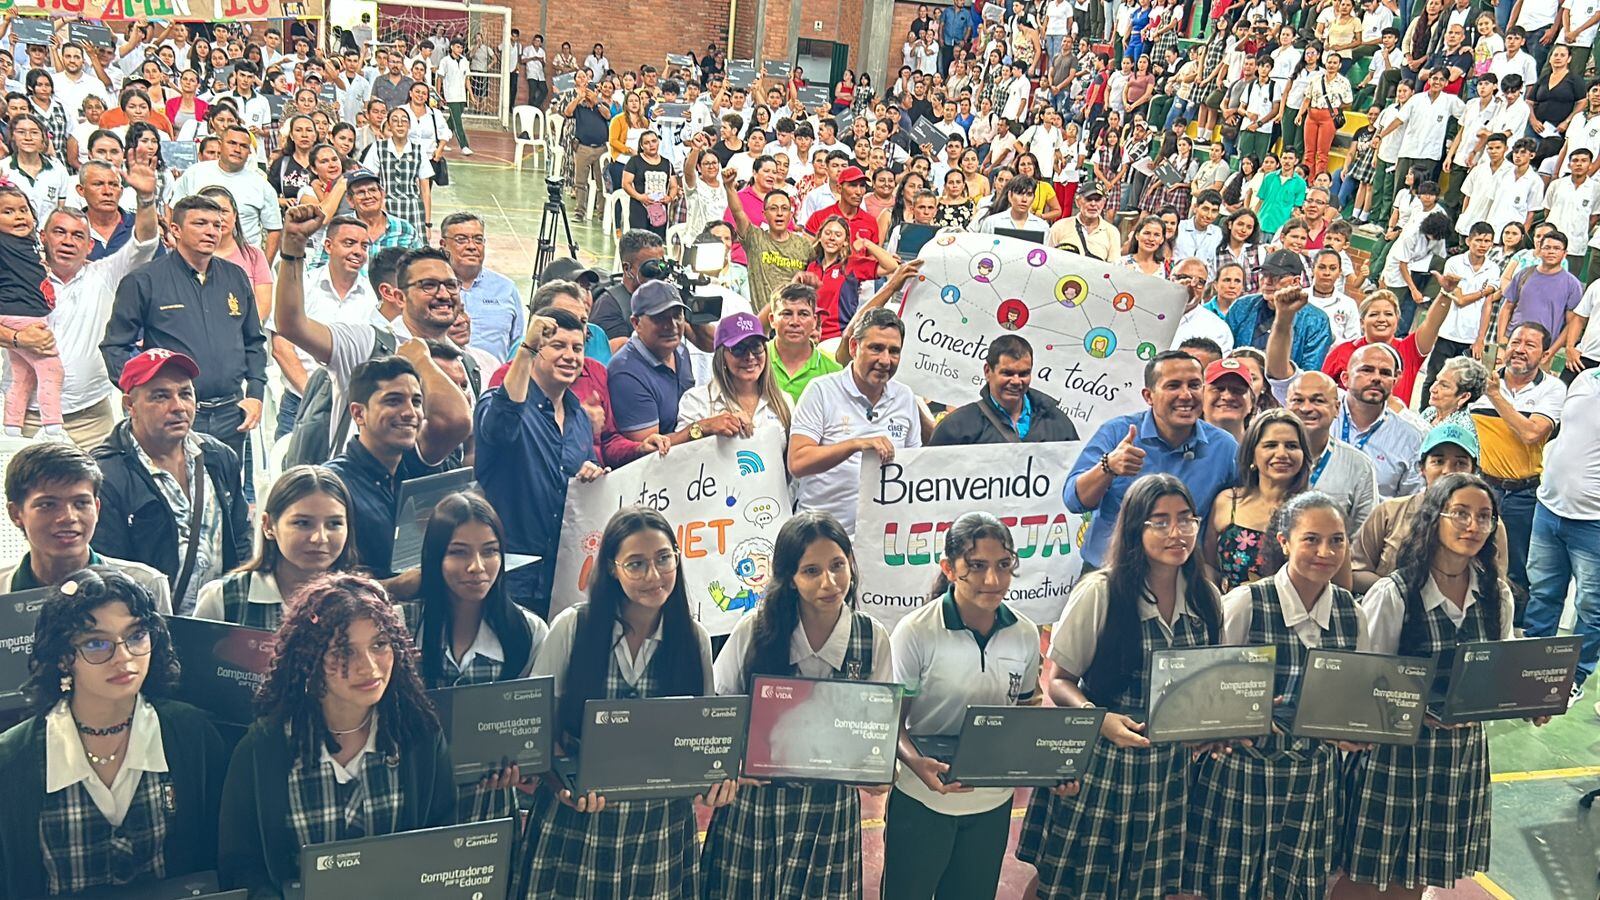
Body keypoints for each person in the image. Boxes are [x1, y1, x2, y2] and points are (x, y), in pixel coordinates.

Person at [1018, 474, 1223, 898]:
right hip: (1101, 765)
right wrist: (1100, 719)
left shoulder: (1206, 596)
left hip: (1168, 772)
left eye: (1186, 520)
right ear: (1135, 528)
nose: (1177, 533)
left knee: (1144, 883)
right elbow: (1058, 681)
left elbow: (1208, 680)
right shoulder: (1101, 592)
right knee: (1068, 880)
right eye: (1160, 521)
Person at [511, 507, 733, 899]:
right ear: (613, 568)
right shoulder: (574, 628)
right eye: (636, 564)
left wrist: (715, 779)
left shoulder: (692, 637)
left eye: (664, 558)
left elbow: (703, 733)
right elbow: (536, 726)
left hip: (660, 825)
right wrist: (562, 782)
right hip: (578, 821)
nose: (653, 575)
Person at [218, 574, 456, 896]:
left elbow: (440, 849)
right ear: (309, 660)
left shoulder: (420, 736)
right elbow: (242, 868)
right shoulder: (262, 749)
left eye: (379, 644)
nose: (369, 667)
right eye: (344, 650)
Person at [1342, 473, 1522, 894]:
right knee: (1369, 878)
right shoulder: (1395, 594)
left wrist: (1530, 701)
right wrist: (1414, 709)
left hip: (1459, 758)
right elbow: (1361, 682)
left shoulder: (1496, 595)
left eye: (1484, 516)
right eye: (1460, 513)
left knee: (1420, 875)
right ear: (1433, 519)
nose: (1473, 526)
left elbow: (1503, 668)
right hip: (1396, 756)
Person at [0, 566, 225, 899]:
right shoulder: (12, 759)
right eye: (96, 643)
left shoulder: (193, 735)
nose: (123, 658)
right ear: (63, 658)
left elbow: (217, 865)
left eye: (135, 635)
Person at [700, 511, 892, 897]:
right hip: (754, 810)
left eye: (838, 565)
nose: (829, 582)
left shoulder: (871, 639)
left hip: (830, 811)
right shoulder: (754, 631)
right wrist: (732, 763)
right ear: (789, 578)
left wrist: (878, 770)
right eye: (811, 571)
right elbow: (716, 714)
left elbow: (878, 727)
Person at [1185, 492, 1365, 900]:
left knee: (1297, 887)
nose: (1326, 551)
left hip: (1314, 781)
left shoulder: (1351, 613)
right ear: (1283, 542)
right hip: (1242, 775)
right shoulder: (1247, 603)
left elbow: (1353, 697)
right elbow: (1205, 689)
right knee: (1230, 886)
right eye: (1311, 539)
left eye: (1337, 540)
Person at [884, 511, 1047, 899]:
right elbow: (892, 721)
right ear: (949, 568)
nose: (992, 580)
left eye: (1003, 566)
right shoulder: (916, 632)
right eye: (976, 566)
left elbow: (1027, 708)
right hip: (923, 799)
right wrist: (914, 762)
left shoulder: (1024, 633)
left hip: (992, 802)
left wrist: (1048, 762)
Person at [100, 195, 266, 461]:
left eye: (217, 224)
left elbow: (253, 342)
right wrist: (141, 393)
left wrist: (256, 393)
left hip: (231, 411)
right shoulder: (144, 280)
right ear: (175, 230)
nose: (211, 231)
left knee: (227, 497)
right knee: (175, 494)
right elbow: (115, 346)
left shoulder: (235, 276)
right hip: (173, 413)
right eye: (200, 223)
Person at [90, 349, 251, 616]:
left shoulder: (218, 456)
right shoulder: (106, 474)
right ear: (129, 405)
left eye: (185, 393)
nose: (178, 406)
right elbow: (108, 570)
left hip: (223, 620)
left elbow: (241, 537)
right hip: (148, 627)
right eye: (160, 396)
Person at [474, 307, 605, 616]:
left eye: (577, 348)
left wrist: (592, 475)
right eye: (557, 346)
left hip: (561, 583)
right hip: (506, 582)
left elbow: (584, 486)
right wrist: (527, 349)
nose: (570, 356)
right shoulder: (495, 401)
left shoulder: (579, 418)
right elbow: (502, 424)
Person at [1064, 352, 1239, 570]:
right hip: (1109, 575)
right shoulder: (1117, 432)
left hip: (1181, 579)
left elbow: (1244, 505)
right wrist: (1108, 467)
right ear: (1149, 396)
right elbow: (1074, 500)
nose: (1186, 395)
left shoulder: (1223, 447)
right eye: (1173, 386)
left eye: (1194, 385)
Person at [789, 308, 923, 535]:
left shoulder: (905, 397)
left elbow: (914, 469)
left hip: (880, 536)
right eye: (876, 348)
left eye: (894, 351)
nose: (885, 360)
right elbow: (798, 462)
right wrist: (855, 444)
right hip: (821, 534)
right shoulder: (821, 391)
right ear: (853, 347)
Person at [0, 443, 171, 609]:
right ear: (16, 513)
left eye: (81, 503)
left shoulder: (145, 584)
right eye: (48, 505)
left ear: (97, 508)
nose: (68, 517)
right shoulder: (4, 589)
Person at [1470, 321, 1565, 616]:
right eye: (1515, 342)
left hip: (1523, 494)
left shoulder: (1553, 389)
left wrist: (1495, 396)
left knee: (1516, 570)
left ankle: (1514, 634)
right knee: (1470, 558)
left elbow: (1531, 433)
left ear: (1545, 354)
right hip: (1480, 487)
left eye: (1530, 345)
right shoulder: (1481, 382)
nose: (1519, 350)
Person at [192, 465, 357, 630]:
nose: (319, 537)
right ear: (268, 525)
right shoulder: (223, 598)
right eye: (302, 523)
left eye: (334, 524)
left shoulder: (361, 599)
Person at [1353, 422, 1511, 592]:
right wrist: (1400, 593)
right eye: (1438, 461)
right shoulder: (1389, 512)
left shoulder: (1486, 523)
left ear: (1473, 471)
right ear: (1422, 468)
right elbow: (1357, 572)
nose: (1447, 471)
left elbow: (1496, 583)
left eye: (1460, 463)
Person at [1521, 366, 1600, 703]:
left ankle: (1573, 676)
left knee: (1591, 606)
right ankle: (1531, 669)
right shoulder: (1586, 378)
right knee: (1542, 593)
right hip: (1549, 507)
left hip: (1594, 521)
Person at [1204, 408, 1317, 591]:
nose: (1282, 454)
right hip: (1232, 614)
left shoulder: (1316, 511)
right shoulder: (1227, 501)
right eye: (1270, 445)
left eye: (1291, 446)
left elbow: (1340, 584)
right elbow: (1209, 565)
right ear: (1252, 455)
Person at [0, 183, 65, 442]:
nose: (19, 216)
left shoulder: (29, 243)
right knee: (52, 369)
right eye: (8, 212)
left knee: (23, 376)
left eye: (23, 210)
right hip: (20, 315)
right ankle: (54, 428)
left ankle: (12, 427)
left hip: (30, 313)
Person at [928, 334, 1082, 444]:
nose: (1016, 381)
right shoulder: (957, 427)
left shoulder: (1057, 422)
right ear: (988, 371)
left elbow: (1076, 478)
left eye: (1024, 374)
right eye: (1007, 373)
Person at [676, 311, 794, 441]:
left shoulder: (783, 401)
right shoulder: (697, 400)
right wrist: (706, 427)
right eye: (738, 349)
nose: (749, 356)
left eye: (756, 347)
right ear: (722, 356)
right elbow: (679, 454)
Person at [169, 125, 282, 258]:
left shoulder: (262, 185)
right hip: (194, 258)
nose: (237, 149)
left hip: (243, 261)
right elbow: (175, 210)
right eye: (232, 143)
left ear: (249, 151)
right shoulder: (195, 173)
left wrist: (264, 267)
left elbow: (274, 229)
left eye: (244, 146)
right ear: (220, 145)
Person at [1221, 250, 1335, 372]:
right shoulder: (1242, 306)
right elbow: (1225, 353)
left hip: (1286, 386)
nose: (1267, 282)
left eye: (1276, 277)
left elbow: (1309, 371)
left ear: (1295, 281)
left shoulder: (1317, 321)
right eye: (1264, 275)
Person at [721, 165, 816, 312]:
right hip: (762, 320)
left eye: (784, 209)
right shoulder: (754, 238)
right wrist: (729, 187)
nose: (779, 213)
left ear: (791, 215)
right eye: (773, 208)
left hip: (794, 320)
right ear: (764, 214)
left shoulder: (804, 245)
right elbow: (738, 212)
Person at [441, 212, 522, 362]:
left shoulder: (506, 288)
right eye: (461, 240)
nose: (471, 246)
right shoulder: (432, 288)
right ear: (443, 244)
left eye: (478, 240)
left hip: (494, 382)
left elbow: (517, 345)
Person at [767, 281, 843, 404]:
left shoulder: (833, 372)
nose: (795, 322)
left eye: (803, 314)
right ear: (772, 320)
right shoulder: (755, 361)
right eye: (787, 314)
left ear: (814, 321)